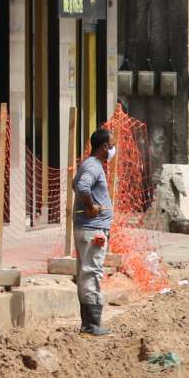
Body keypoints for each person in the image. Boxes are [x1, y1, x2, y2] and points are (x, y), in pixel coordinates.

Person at [71, 127, 114, 337]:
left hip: (89, 228)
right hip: (92, 230)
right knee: (92, 273)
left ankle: (89, 322)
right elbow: (82, 187)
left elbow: (76, 185)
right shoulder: (93, 166)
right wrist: (90, 207)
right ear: (104, 146)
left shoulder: (88, 165)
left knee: (87, 272)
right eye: (112, 146)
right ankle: (91, 324)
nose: (113, 150)